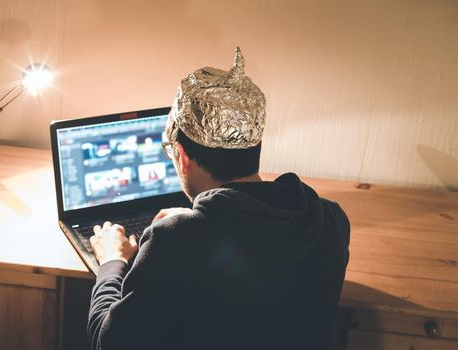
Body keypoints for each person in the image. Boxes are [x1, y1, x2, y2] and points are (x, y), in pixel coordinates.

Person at [87, 48, 350, 350]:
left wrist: (111, 261)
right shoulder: (331, 220)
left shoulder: (176, 241)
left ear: (182, 157)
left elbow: (108, 344)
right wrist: (202, 219)